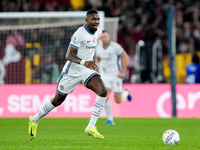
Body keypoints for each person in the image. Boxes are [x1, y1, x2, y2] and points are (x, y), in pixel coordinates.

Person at [28, 9, 107, 140]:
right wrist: (84, 62)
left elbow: (91, 48)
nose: (96, 21)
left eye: (98, 19)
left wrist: (92, 61)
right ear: (86, 20)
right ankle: (34, 119)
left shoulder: (98, 32)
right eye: (93, 19)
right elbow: (68, 55)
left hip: (86, 71)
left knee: (103, 91)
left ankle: (91, 127)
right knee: (57, 100)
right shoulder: (79, 33)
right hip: (72, 72)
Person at [96, 31, 132, 125]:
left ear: (109, 37)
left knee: (118, 100)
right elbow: (98, 59)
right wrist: (95, 67)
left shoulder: (115, 47)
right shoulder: (98, 48)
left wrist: (122, 72)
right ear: (100, 38)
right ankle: (110, 119)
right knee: (105, 97)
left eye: (105, 36)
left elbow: (126, 57)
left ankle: (126, 92)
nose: (104, 38)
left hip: (116, 76)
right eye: (102, 37)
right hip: (105, 76)